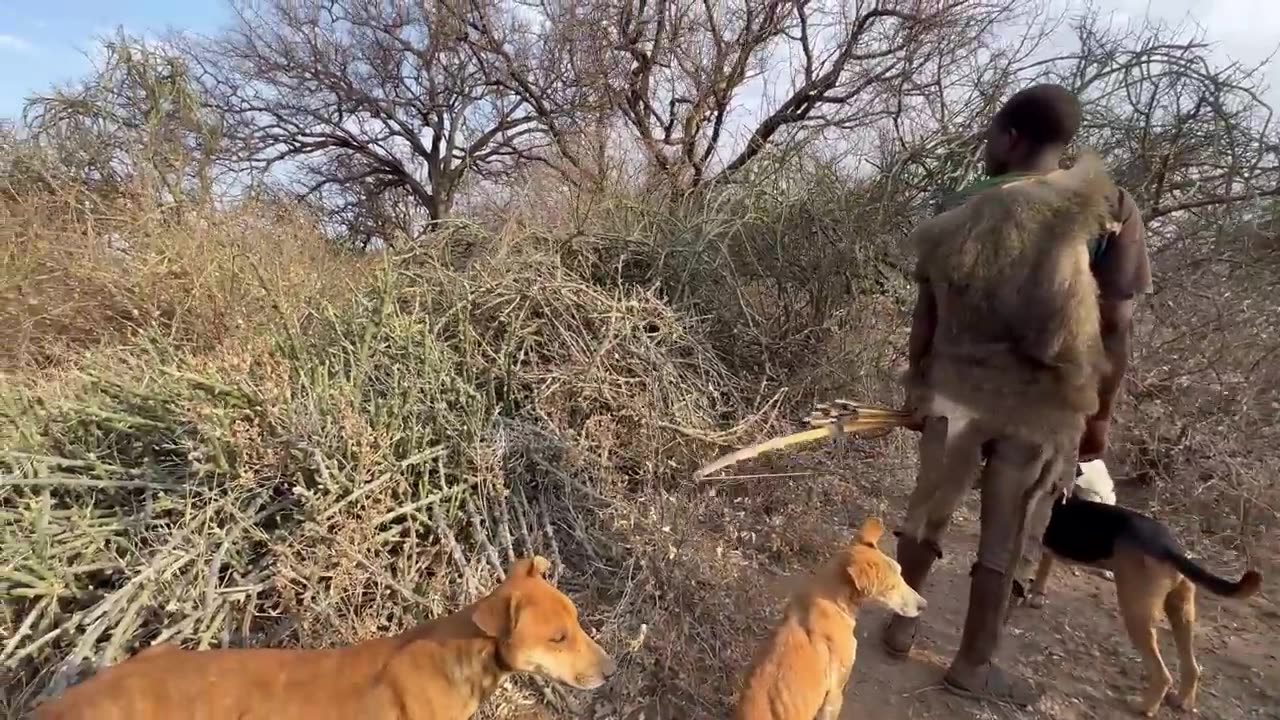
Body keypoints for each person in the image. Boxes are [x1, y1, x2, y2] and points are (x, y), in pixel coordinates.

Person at [880, 83, 1152, 706]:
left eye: (989, 134)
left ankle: (900, 622)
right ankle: (973, 665)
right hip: (1042, 407)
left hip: (955, 391)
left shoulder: (961, 206)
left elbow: (926, 314)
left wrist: (918, 385)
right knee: (1010, 538)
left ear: (1009, 137)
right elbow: (1116, 323)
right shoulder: (1108, 207)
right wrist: (1099, 416)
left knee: (927, 513)